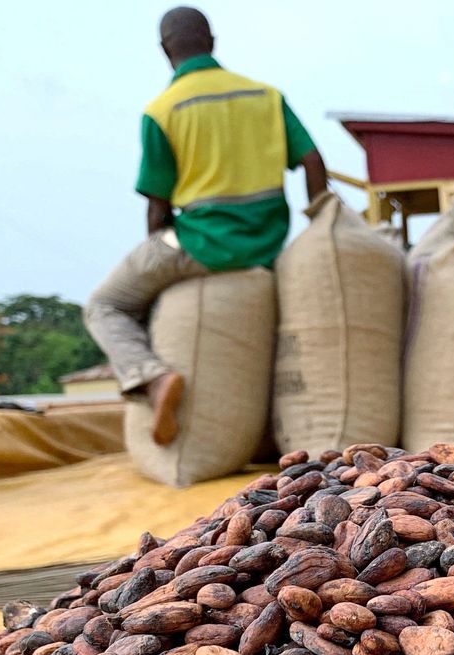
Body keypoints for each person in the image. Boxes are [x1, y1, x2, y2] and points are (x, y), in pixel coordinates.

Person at [84, 6, 327, 445]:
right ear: (212, 41)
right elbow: (312, 161)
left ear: (164, 51)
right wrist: (318, 227)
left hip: (199, 245)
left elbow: (157, 210)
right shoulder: (264, 95)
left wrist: (157, 259)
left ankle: (151, 376)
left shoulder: (162, 110)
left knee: (105, 305)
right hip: (266, 243)